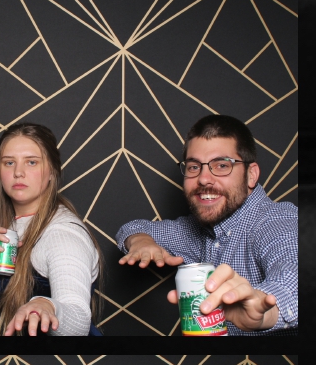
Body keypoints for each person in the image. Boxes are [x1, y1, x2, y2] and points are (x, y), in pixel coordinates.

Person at [116, 113, 297, 336]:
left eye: (221, 165)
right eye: (194, 167)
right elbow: (132, 228)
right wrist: (141, 241)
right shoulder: (199, 229)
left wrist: (265, 310)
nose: (203, 179)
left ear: (251, 175)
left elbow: (295, 275)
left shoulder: (277, 221)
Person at [0, 121, 103, 336]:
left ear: (52, 171)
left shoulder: (63, 234)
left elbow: (78, 326)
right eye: (9, 162)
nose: (18, 172)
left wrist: (47, 305)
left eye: (31, 162)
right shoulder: (4, 225)